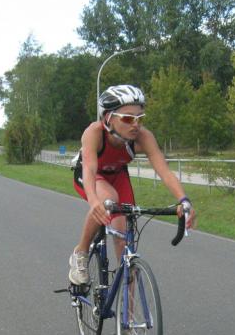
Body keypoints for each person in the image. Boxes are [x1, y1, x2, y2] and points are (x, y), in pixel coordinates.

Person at [69, 84, 196, 285]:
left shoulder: (143, 137)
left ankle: (128, 304)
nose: (135, 124)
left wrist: (184, 200)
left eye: (140, 118)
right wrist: (94, 201)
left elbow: (164, 171)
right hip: (90, 175)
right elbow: (90, 169)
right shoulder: (94, 132)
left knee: (124, 241)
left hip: (118, 175)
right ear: (108, 118)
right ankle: (81, 253)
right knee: (108, 198)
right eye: (128, 118)